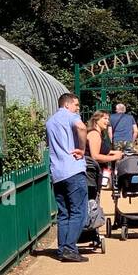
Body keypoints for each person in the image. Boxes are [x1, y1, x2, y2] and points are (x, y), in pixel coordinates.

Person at [45, 93, 89, 263]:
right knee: (79, 212)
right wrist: (82, 149)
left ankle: (62, 249)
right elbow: (82, 127)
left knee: (64, 213)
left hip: (57, 172)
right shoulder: (71, 116)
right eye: (76, 105)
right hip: (73, 170)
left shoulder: (50, 122)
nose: (78, 108)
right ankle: (70, 248)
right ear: (67, 105)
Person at [86, 110, 123, 185]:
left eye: (108, 119)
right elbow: (95, 156)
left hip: (95, 173)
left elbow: (100, 150)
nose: (108, 122)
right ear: (96, 120)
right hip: (90, 174)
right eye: (105, 118)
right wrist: (115, 157)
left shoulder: (99, 134)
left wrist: (114, 152)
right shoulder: (94, 134)